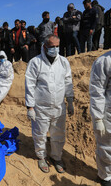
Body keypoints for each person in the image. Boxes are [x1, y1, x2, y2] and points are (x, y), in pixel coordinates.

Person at [25, 34, 74, 174]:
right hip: (41, 108)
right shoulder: (35, 62)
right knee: (39, 134)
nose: (55, 49)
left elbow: (68, 82)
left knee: (58, 134)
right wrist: (30, 107)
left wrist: (70, 100)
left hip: (59, 107)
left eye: (57, 46)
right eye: (52, 47)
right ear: (45, 46)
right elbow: (30, 85)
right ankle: (41, 156)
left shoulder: (64, 62)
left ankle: (56, 157)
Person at [89, 51, 111, 186]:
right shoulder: (104, 61)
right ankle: (105, 177)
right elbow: (97, 92)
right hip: (108, 114)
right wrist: (97, 118)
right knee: (107, 148)